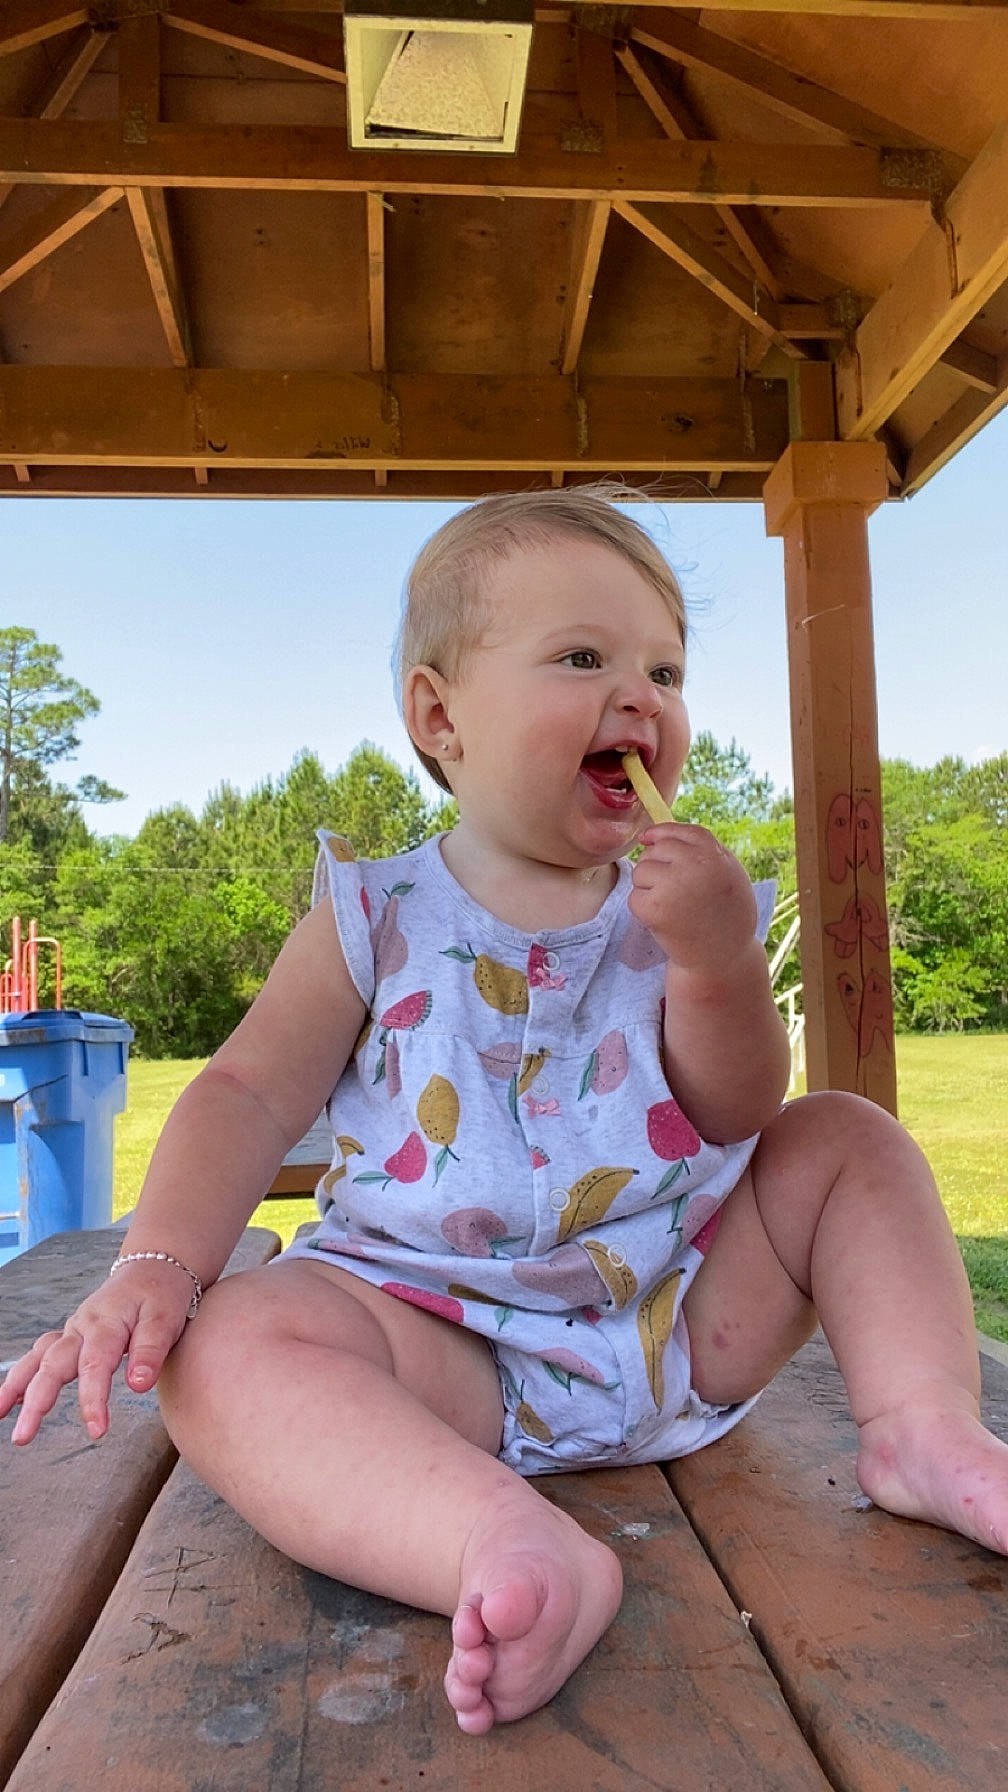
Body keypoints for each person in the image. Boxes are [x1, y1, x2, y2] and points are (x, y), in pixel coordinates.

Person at [2, 487, 1006, 1737]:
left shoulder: (673, 915)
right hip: (439, 1350)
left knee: (848, 1137)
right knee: (221, 1345)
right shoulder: (372, 915)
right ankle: (497, 1536)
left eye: (666, 667)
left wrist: (717, 964)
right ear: (441, 717)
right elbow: (247, 1090)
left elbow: (739, 1105)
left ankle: (922, 1428)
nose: (641, 697)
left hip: (677, 1314)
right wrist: (158, 1260)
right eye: (584, 657)